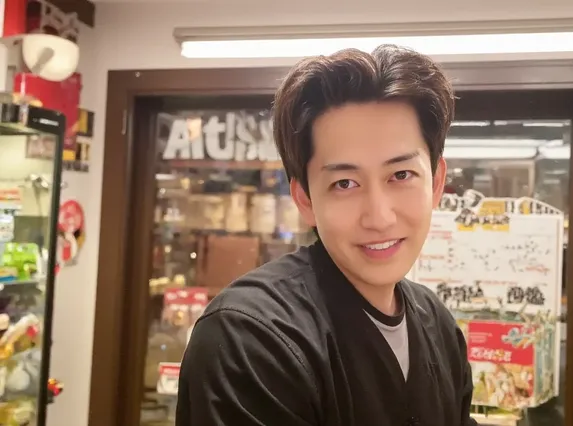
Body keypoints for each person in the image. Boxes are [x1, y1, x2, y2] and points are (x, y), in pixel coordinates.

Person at [176, 44, 478, 426]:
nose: (380, 217)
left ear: (435, 183)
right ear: (304, 198)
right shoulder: (251, 336)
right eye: (345, 182)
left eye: (401, 175)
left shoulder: (437, 324)